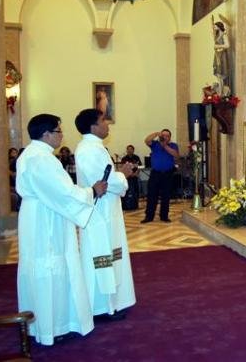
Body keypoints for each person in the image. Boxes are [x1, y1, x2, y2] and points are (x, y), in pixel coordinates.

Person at [16, 114, 108, 345]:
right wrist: (92, 191)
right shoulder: (41, 159)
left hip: (41, 215)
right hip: (46, 220)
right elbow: (64, 192)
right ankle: (53, 327)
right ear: (46, 134)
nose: (61, 135)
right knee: (51, 267)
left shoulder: (32, 154)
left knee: (46, 268)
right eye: (58, 131)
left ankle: (47, 324)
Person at [74, 109, 137, 321]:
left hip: (107, 211)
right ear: (93, 126)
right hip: (99, 214)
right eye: (103, 121)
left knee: (109, 256)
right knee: (100, 258)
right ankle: (100, 307)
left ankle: (112, 302)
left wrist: (119, 175)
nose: (107, 124)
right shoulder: (89, 150)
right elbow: (102, 181)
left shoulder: (95, 148)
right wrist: (124, 174)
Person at [141, 129, 179, 223]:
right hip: (155, 174)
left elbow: (176, 155)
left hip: (167, 174)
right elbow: (146, 140)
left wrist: (165, 146)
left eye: (167, 136)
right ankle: (149, 216)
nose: (165, 137)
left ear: (170, 137)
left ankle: (164, 216)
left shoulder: (173, 145)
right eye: (163, 135)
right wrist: (156, 134)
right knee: (152, 195)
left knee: (166, 195)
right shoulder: (155, 144)